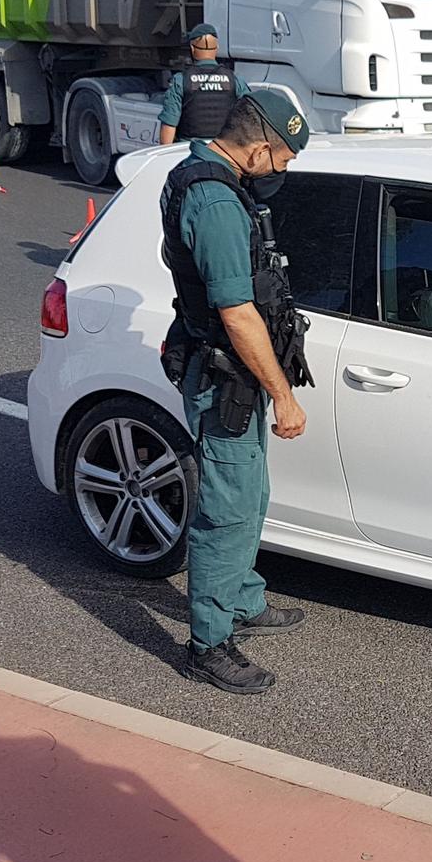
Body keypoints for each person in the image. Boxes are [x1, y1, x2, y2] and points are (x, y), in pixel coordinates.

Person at [159, 91, 313, 694]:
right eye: (282, 159)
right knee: (225, 510)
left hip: (233, 374)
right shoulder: (216, 201)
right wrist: (284, 394)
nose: (282, 171)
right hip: (227, 374)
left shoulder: (204, 175)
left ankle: (242, 598)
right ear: (257, 147)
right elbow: (237, 312)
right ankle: (208, 642)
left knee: (251, 494)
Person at [158, 23, 251, 145]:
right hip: (224, 151)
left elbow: (169, 125)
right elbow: (249, 117)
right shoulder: (235, 80)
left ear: (192, 48)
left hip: (189, 151)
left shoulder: (181, 80)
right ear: (217, 47)